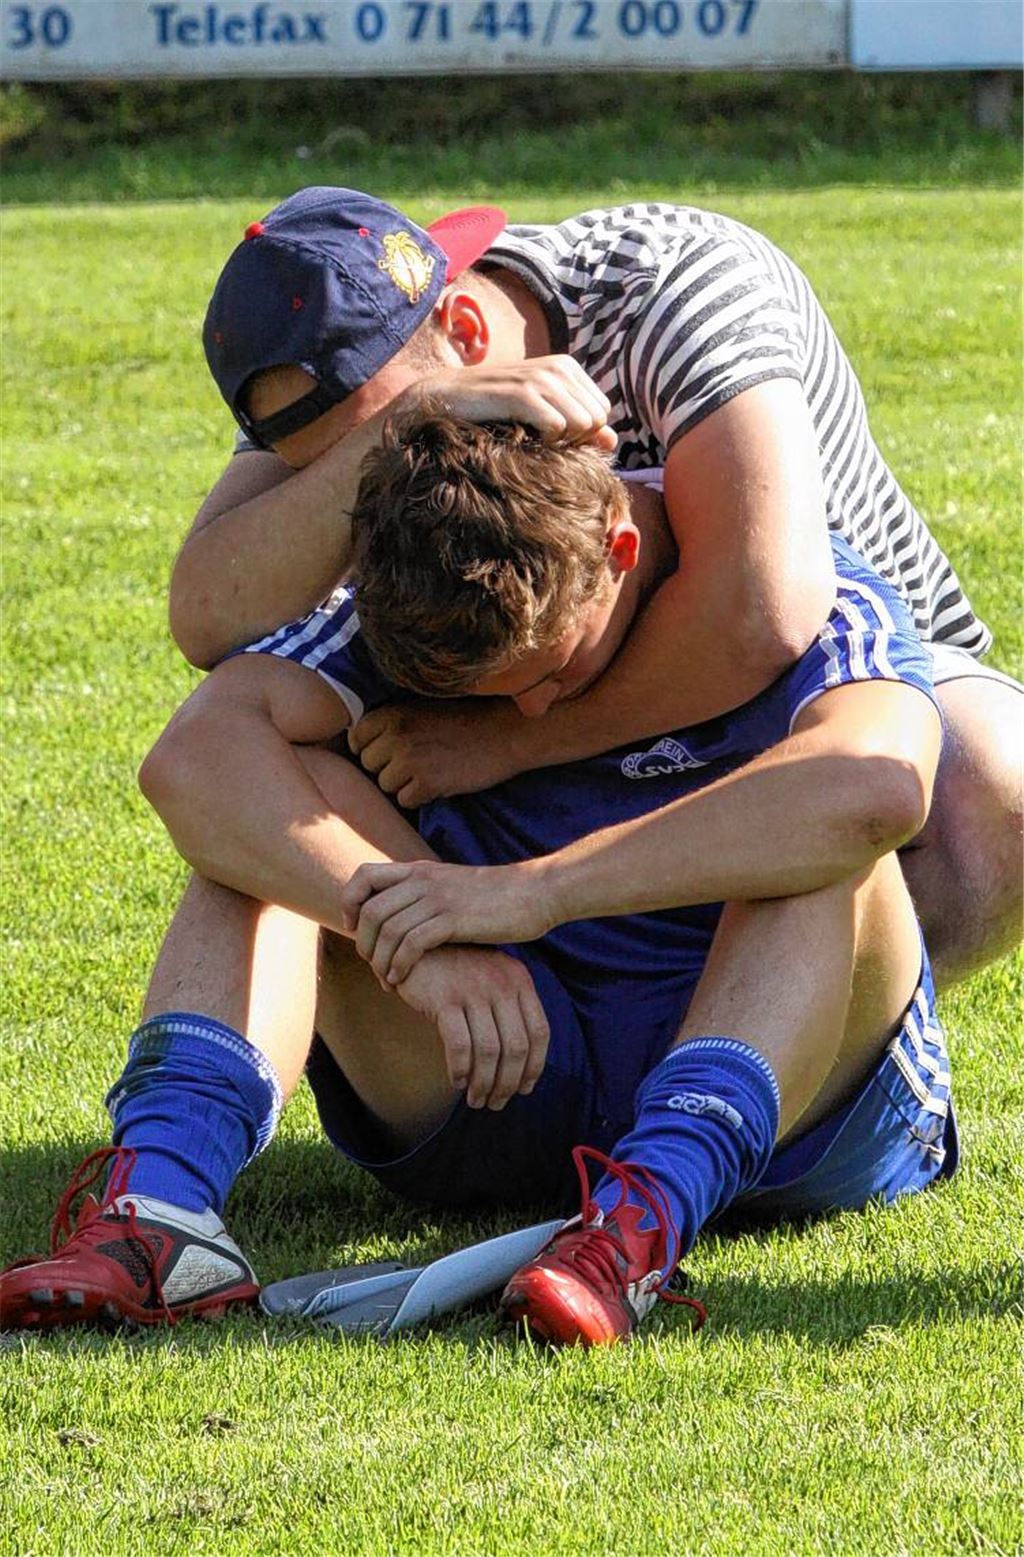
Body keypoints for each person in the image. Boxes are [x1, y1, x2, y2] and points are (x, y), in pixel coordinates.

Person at [0, 418, 955, 1346]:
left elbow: (877, 790)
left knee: (822, 839)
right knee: (265, 826)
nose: (527, 714)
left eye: (553, 671)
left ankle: (642, 1223)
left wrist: (538, 891)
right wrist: (421, 941)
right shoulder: (422, 586)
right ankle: (160, 1210)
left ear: (619, 548)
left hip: (796, 1107)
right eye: (479, 698)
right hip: (505, 1051)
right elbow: (194, 757)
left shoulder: (799, 588)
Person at [174, 185, 1021, 988]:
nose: (374, 474)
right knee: (259, 789)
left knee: (999, 788)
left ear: (465, 325)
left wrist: (513, 743)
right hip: (515, 684)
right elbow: (206, 615)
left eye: (382, 440)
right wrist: (407, 417)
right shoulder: (352, 379)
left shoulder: (674, 288)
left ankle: (816, 1042)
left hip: (822, 679)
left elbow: (762, 613)